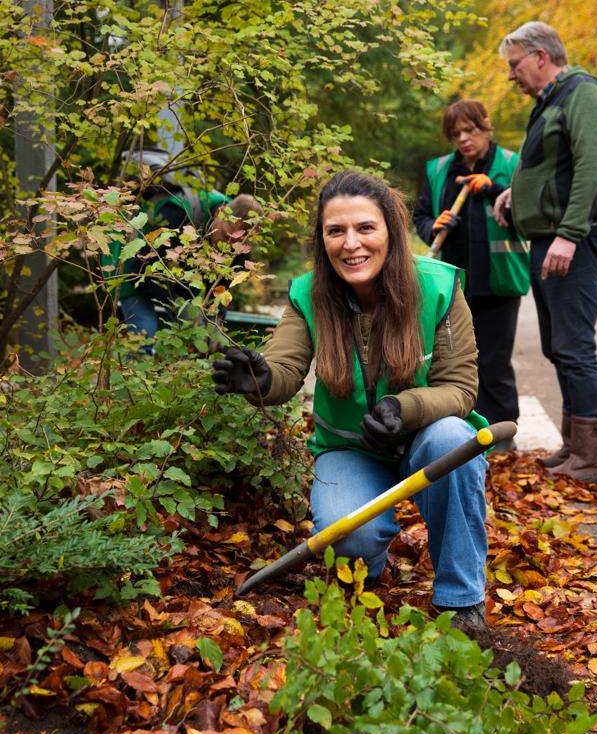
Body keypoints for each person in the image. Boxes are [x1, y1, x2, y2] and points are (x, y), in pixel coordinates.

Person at [213, 170, 490, 628]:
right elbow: (283, 368)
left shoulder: (439, 287)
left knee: (454, 440)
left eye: (365, 228)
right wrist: (259, 379)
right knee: (349, 540)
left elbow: (460, 388)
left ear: (391, 232)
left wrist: (405, 409)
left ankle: (461, 601)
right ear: (322, 240)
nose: (351, 244)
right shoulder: (308, 294)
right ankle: (370, 558)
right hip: (350, 452)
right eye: (335, 231)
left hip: (423, 440)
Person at [493, 22, 597, 482]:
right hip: (549, 236)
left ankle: (592, 459)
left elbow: (590, 165)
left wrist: (569, 233)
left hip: (575, 240)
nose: (511, 76)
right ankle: (574, 446)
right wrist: (513, 194)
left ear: (541, 56)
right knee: (558, 345)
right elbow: (547, 166)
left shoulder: (582, 92)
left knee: (574, 344)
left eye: (515, 64)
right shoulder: (551, 101)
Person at [414, 100, 529, 448]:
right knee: (454, 361)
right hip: (452, 284)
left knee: (495, 361)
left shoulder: (510, 165)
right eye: (456, 134)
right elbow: (420, 216)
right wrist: (432, 226)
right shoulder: (437, 171)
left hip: (500, 280)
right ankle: (461, 435)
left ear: (486, 126)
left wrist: (494, 189)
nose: (464, 139)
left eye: (471, 130)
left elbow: (528, 213)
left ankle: (502, 435)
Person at [103, 148, 257, 352]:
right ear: (222, 212)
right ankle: (132, 379)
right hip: (132, 267)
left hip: (176, 280)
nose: (229, 244)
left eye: (237, 240)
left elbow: (220, 287)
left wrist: (216, 318)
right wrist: (182, 305)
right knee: (145, 330)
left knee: (199, 336)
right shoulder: (179, 214)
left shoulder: (239, 238)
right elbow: (141, 271)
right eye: (228, 235)